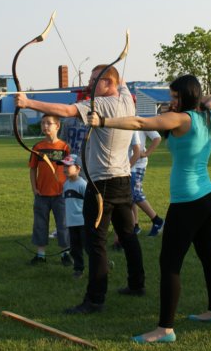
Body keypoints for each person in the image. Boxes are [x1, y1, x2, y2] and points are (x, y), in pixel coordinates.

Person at [86, 74, 211, 344]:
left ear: (188, 97)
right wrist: (195, 100)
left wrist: (102, 121)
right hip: (208, 198)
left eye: (176, 97)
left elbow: (140, 122)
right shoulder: (209, 115)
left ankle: (165, 330)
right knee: (209, 256)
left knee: (169, 264)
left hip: (187, 204)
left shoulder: (182, 119)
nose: (172, 101)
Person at [16, 64, 144, 314]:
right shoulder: (127, 98)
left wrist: (28, 102)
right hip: (122, 180)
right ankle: (137, 284)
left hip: (102, 185)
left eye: (95, 80)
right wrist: (111, 71)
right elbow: (121, 79)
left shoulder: (101, 105)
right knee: (127, 235)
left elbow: (66, 110)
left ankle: (94, 300)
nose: (89, 84)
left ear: (109, 83)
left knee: (95, 243)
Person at [28, 114, 71, 265]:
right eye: (42, 123)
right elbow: (33, 169)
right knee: (40, 225)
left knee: (63, 225)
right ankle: (41, 255)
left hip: (60, 195)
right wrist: (35, 188)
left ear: (57, 126)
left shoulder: (65, 147)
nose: (45, 126)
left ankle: (65, 254)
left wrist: (67, 187)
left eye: (48, 123)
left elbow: (70, 170)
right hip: (42, 194)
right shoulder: (38, 147)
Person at [62, 154, 88, 278]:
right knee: (75, 248)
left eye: (68, 166)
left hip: (83, 222)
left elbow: (89, 204)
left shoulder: (83, 184)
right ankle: (78, 269)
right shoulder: (66, 185)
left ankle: (100, 265)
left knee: (88, 247)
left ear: (78, 168)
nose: (65, 169)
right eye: (64, 166)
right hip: (71, 223)